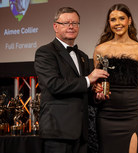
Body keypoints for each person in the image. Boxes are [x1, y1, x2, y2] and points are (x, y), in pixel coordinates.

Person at [34, 7, 109, 153]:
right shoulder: (45, 52)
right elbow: (54, 85)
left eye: (75, 23)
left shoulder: (82, 56)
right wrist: (88, 79)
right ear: (55, 26)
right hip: (57, 132)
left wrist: (97, 95)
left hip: (81, 133)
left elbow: (84, 91)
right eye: (66, 23)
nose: (71, 26)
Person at [93, 3, 138, 153]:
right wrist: (97, 89)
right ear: (109, 23)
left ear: (129, 20)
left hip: (132, 114)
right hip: (107, 115)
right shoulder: (100, 49)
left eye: (121, 18)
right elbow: (96, 84)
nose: (117, 23)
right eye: (113, 20)